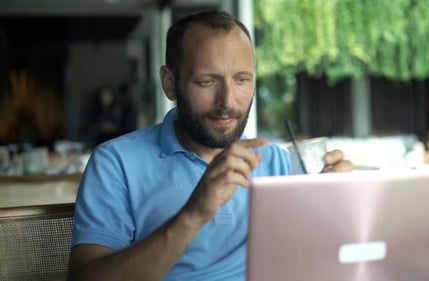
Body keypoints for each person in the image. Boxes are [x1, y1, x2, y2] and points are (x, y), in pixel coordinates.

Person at [67, 10, 352, 281]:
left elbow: (328, 258)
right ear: (169, 83)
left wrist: (345, 203)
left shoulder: (277, 162)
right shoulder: (116, 163)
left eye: (241, 79)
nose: (227, 100)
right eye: (207, 81)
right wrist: (194, 214)